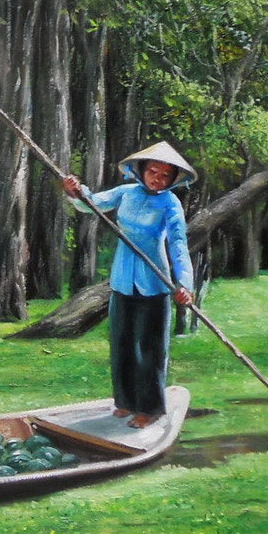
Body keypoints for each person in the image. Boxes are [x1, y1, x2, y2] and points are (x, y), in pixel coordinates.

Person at [61, 142, 196, 429]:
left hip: (154, 282)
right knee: (121, 343)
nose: (157, 179)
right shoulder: (126, 193)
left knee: (150, 349)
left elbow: (179, 245)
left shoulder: (170, 204)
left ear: (173, 180)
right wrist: (76, 190)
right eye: (153, 171)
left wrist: (184, 283)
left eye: (164, 176)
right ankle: (125, 401)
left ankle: (149, 408)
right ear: (142, 170)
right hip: (123, 279)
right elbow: (92, 203)